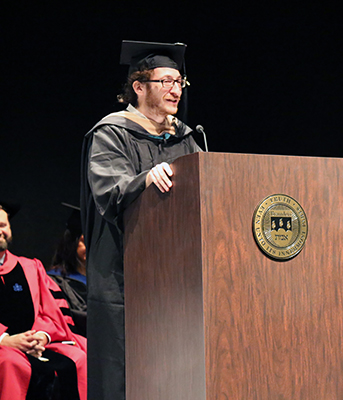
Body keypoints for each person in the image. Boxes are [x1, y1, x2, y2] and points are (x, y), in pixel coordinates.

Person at [81, 40, 203, 400]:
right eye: (166, 81)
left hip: (178, 275)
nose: (175, 89)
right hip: (123, 273)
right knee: (123, 368)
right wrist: (145, 179)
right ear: (139, 86)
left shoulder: (187, 137)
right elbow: (109, 187)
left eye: (180, 81)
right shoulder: (111, 133)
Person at [0, 201, 87, 400]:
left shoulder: (30, 268)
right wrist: (6, 340)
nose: (0, 231)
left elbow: (51, 311)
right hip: (4, 347)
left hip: (35, 343)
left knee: (78, 358)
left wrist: (41, 336)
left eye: (3, 225)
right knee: (12, 363)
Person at [47, 203, 87, 336]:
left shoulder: (108, 282)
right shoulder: (55, 280)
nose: (91, 247)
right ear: (72, 243)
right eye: (85, 241)